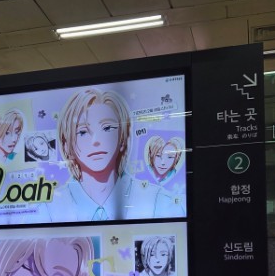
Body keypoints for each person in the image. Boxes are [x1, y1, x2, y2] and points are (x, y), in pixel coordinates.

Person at [54, 88, 183, 222]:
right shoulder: (49, 208)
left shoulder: (160, 201)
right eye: (82, 132)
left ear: (122, 138)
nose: (96, 140)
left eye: (107, 128)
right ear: (66, 145)